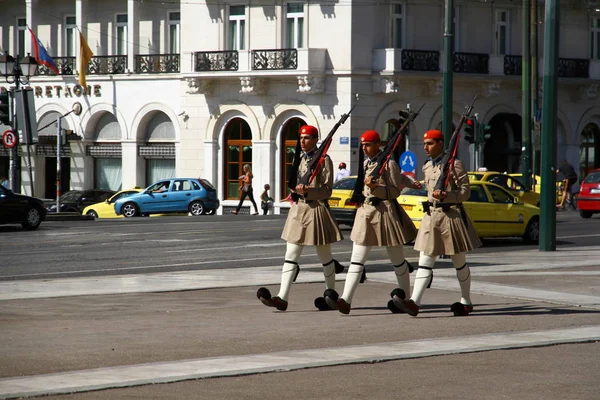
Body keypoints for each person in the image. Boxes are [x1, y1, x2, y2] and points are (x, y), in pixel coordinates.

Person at [324, 130, 421, 315]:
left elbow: (394, 192)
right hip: (366, 213)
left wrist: (376, 188)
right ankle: (346, 300)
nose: (364, 148)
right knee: (356, 261)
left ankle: (406, 299)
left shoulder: (389, 163)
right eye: (362, 144)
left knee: (398, 260)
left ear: (378, 144)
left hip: (385, 214)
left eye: (367, 144)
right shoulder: (366, 163)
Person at [393, 129, 481, 317]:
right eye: (425, 143)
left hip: (451, 216)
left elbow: (465, 192)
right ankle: (414, 302)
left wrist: (448, 195)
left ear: (441, 144)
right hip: (432, 216)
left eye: (430, 143)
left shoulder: (455, 165)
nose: (426, 147)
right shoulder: (426, 166)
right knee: (425, 261)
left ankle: (466, 300)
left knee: (459, 262)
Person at [257, 125, 345, 311]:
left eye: (307, 138)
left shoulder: (324, 160)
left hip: (316, 210)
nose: (302, 142)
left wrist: (309, 191)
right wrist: (295, 191)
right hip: (299, 210)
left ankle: (330, 294)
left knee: (325, 257)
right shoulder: (299, 158)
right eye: (301, 138)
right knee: (291, 255)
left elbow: (328, 190)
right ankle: (282, 297)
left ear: (315, 139)